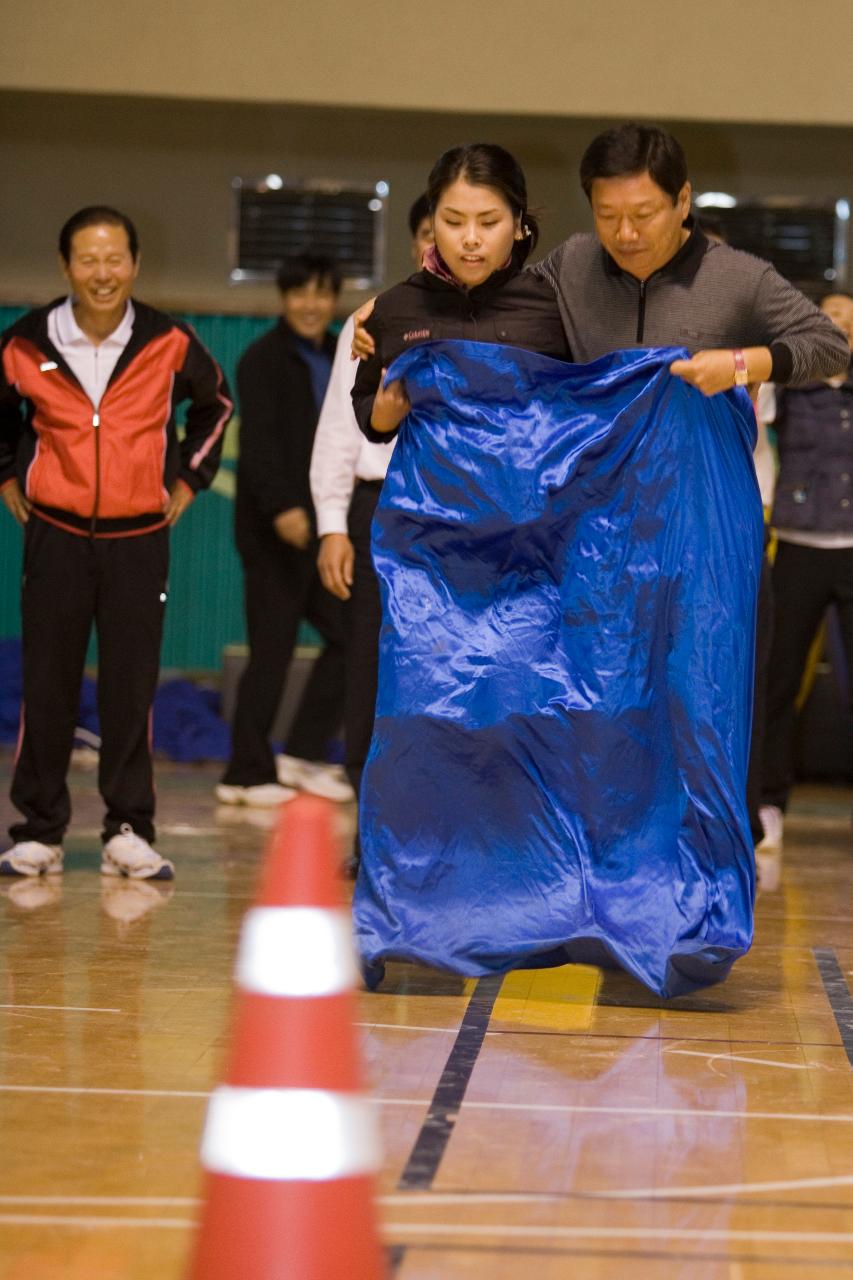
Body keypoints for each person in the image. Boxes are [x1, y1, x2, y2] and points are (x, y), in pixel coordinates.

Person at [351, 141, 765, 999]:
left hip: (545, 561)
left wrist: (704, 379)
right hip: (439, 565)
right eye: (453, 223)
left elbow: (600, 399)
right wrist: (386, 393)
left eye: (488, 222)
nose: (469, 239)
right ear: (429, 224)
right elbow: (372, 417)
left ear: (519, 225)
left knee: (545, 728)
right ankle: (417, 907)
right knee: (430, 726)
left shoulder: (554, 303)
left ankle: (545, 905)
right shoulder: (391, 310)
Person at [0, 206, 231, 880]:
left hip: (138, 542)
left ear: (133, 263)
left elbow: (214, 407)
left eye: (114, 258)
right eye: (87, 259)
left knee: (131, 687)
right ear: (67, 266)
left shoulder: (171, 342)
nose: (102, 273)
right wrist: (8, 477)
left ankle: (127, 829)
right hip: (56, 537)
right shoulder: (25, 342)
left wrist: (187, 481)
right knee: (48, 685)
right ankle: (37, 830)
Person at [310, 195, 434, 874]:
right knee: (370, 677)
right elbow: (337, 427)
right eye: (432, 232)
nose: (444, 246)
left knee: (444, 679)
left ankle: (441, 836)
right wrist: (333, 526)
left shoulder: (497, 326)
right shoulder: (370, 321)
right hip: (376, 505)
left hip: (457, 517)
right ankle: (371, 840)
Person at [216, 254, 352, 808]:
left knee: (351, 637)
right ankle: (245, 771)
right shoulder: (262, 359)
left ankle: (301, 753)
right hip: (276, 533)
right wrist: (285, 512)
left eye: (321, 293)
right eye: (300, 293)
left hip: (327, 531)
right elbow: (260, 447)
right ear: (284, 298)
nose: (311, 305)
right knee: (271, 652)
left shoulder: (344, 348)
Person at [759, 292, 853, 851]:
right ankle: (769, 803)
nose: (839, 326)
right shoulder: (791, 389)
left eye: (848, 319)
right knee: (778, 679)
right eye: (829, 318)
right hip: (797, 543)